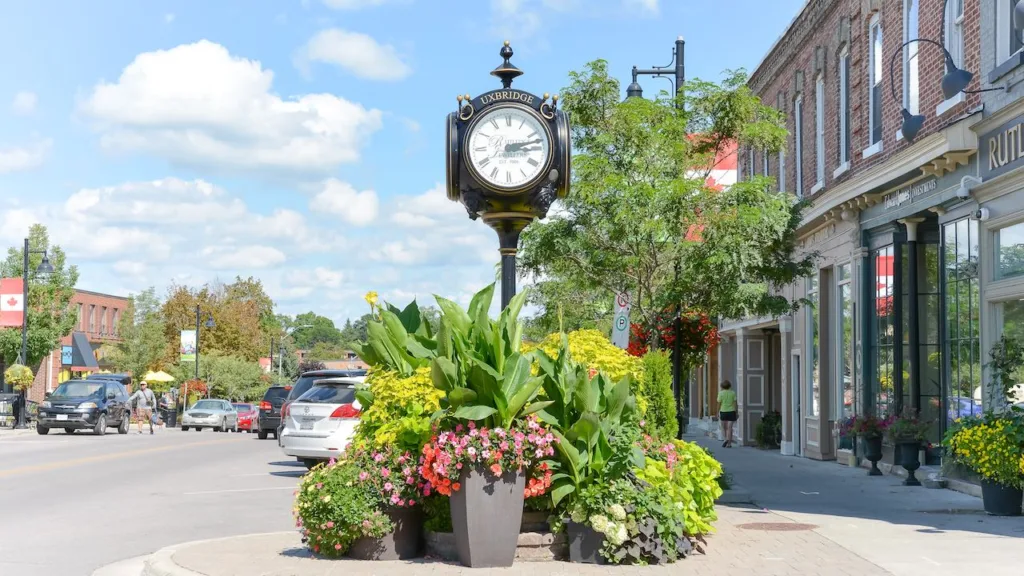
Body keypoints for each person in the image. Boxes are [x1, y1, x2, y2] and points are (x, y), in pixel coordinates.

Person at [718, 380, 737, 448]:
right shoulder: (733, 393)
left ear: (722, 386)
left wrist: (718, 411)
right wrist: (736, 411)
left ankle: (725, 438)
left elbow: (719, 403)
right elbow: (735, 403)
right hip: (731, 411)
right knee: (730, 428)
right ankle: (729, 444)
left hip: (723, 411)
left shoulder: (721, 393)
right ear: (729, 386)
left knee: (723, 427)